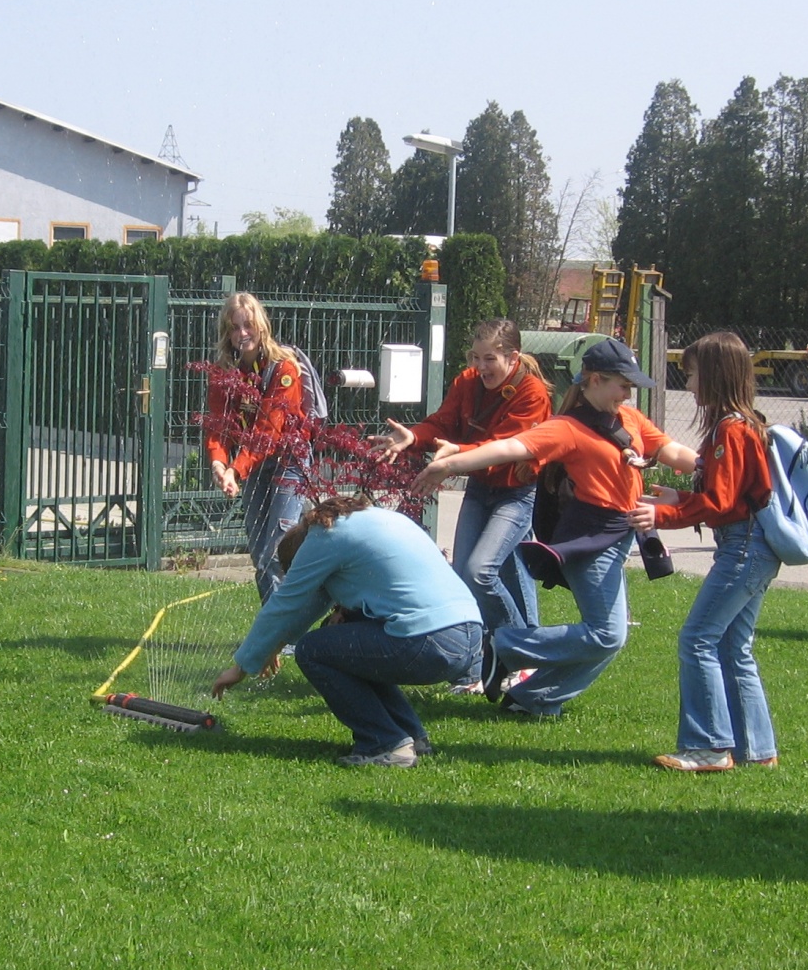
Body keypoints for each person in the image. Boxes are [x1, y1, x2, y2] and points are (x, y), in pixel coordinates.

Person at [413, 338, 696, 717]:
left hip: (621, 534)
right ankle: (506, 645)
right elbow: (511, 448)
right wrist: (451, 463)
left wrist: (719, 471)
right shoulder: (567, 428)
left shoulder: (629, 420)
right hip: (588, 539)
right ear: (594, 380)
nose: (628, 395)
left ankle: (533, 699)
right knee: (607, 634)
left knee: (607, 639)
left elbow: (674, 453)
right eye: (623, 385)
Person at [211, 495, 482, 768]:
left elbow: (286, 604)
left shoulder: (324, 537)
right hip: (470, 636)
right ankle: (411, 735)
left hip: (429, 642)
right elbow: (313, 606)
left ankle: (386, 743)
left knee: (312, 650)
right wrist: (274, 646)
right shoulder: (370, 520)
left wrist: (243, 666)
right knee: (351, 644)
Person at [629, 332, 780, 772]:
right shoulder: (742, 424)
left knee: (697, 639)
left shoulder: (730, 430)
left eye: (693, 374)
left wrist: (663, 516)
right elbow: (725, 495)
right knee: (734, 645)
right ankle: (757, 748)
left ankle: (709, 746)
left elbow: (721, 504)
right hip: (753, 546)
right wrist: (676, 499)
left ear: (714, 376)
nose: (689, 384)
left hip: (742, 548)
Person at [373, 320, 551, 677]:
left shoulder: (532, 394)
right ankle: (479, 666)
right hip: (480, 488)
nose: (481, 367)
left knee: (480, 572)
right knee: (467, 578)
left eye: (490, 359)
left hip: (517, 493)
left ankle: (522, 656)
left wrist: (454, 457)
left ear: (513, 357)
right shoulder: (466, 382)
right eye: (475, 357)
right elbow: (442, 423)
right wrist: (415, 435)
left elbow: (501, 449)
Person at [202, 292, 311, 604]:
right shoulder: (224, 372)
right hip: (252, 464)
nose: (242, 334)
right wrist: (219, 464)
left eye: (248, 325)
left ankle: (282, 636)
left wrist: (237, 468)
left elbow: (269, 431)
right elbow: (219, 426)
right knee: (259, 553)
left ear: (262, 326)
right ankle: (273, 633)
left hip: (288, 460)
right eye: (234, 328)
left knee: (276, 552)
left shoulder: (283, 369)